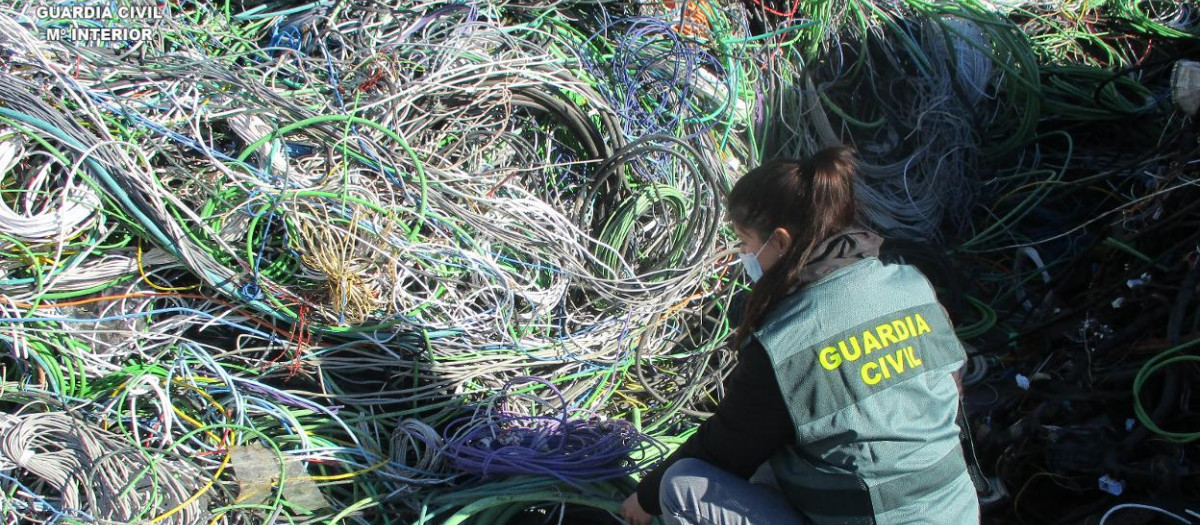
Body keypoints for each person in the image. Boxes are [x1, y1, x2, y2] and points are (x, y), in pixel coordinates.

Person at [621, 146, 980, 525]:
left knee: (679, 487)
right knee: (778, 453)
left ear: (779, 242)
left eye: (745, 242)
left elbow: (726, 447)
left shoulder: (786, 343)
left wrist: (646, 497)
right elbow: (952, 386)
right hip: (957, 509)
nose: (743, 254)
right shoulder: (909, 285)